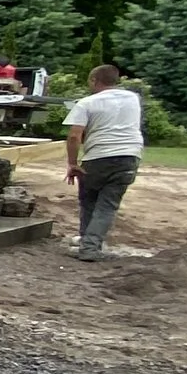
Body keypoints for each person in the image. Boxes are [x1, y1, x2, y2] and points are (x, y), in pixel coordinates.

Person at [64, 64, 145, 259]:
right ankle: (90, 244)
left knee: (89, 200)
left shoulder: (87, 103)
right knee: (108, 205)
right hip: (129, 155)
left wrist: (73, 163)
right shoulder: (133, 98)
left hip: (98, 157)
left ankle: (88, 246)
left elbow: (75, 136)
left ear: (94, 80)